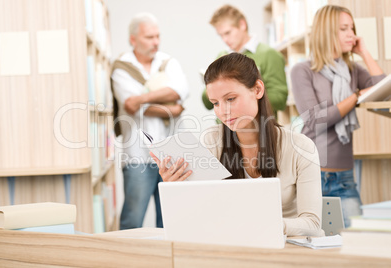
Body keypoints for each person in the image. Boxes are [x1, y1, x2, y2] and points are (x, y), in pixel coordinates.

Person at [151, 53, 325, 237]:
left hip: (284, 250)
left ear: (257, 89)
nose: (223, 111)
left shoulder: (300, 147)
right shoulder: (211, 141)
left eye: (231, 99)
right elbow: (196, 215)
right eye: (215, 103)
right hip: (230, 246)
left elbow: (312, 223)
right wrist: (175, 189)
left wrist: (265, 226)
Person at [290, 5, 386, 227]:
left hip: (344, 177)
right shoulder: (303, 70)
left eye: (352, 27)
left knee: (356, 243)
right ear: (326, 32)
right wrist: (355, 97)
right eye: (344, 28)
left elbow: (383, 93)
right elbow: (316, 121)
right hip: (310, 176)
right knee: (316, 248)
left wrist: (364, 52)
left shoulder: (353, 71)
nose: (351, 34)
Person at [111, 12, 189, 230]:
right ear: (133, 39)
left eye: (157, 36)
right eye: (149, 37)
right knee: (132, 220)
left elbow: (181, 92)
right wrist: (170, 104)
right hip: (138, 156)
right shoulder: (121, 67)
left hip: (171, 155)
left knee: (171, 219)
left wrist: (142, 99)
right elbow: (130, 106)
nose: (155, 42)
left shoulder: (168, 62)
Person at [202, 4, 288, 116]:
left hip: (259, 128)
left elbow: (280, 100)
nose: (225, 40)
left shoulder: (269, 55)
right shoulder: (221, 56)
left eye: (228, 33)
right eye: (221, 36)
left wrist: (240, 95)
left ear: (242, 25)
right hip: (226, 129)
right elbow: (207, 103)